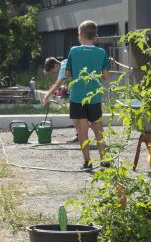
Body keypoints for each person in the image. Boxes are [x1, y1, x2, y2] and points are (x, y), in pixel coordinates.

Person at [65, 20, 110, 170]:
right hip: (95, 97)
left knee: (82, 131)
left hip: (77, 96)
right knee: (98, 129)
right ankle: (105, 160)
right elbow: (105, 75)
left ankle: (88, 162)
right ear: (95, 36)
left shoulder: (73, 51)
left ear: (80, 35)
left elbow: (68, 73)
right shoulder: (102, 52)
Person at [42, 57, 79, 143]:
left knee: (74, 114)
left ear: (56, 65)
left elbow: (57, 85)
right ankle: (81, 135)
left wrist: (46, 96)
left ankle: (80, 136)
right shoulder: (65, 62)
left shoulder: (62, 67)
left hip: (78, 91)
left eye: (53, 71)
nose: (55, 73)